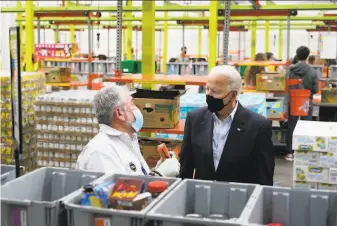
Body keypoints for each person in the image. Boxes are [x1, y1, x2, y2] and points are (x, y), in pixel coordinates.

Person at [179, 65, 275, 185]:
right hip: (202, 196)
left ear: (233, 95)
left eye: (215, 91)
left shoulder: (258, 126)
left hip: (239, 198)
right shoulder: (195, 119)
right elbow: (185, 167)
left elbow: (264, 177)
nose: (209, 95)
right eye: (207, 89)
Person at [76, 85, 180, 177]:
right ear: (119, 113)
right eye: (132, 104)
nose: (137, 109)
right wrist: (160, 174)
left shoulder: (127, 140)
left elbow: (135, 180)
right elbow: (117, 195)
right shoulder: (100, 152)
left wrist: (157, 170)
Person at [285, 46, 319, 161]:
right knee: (306, 126)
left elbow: (285, 86)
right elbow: (315, 88)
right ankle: (305, 152)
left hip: (293, 101)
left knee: (292, 126)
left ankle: (290, 152)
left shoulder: (290, 70)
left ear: (297, 55)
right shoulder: (312, 71)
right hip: (306, 101)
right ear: (307, 56)